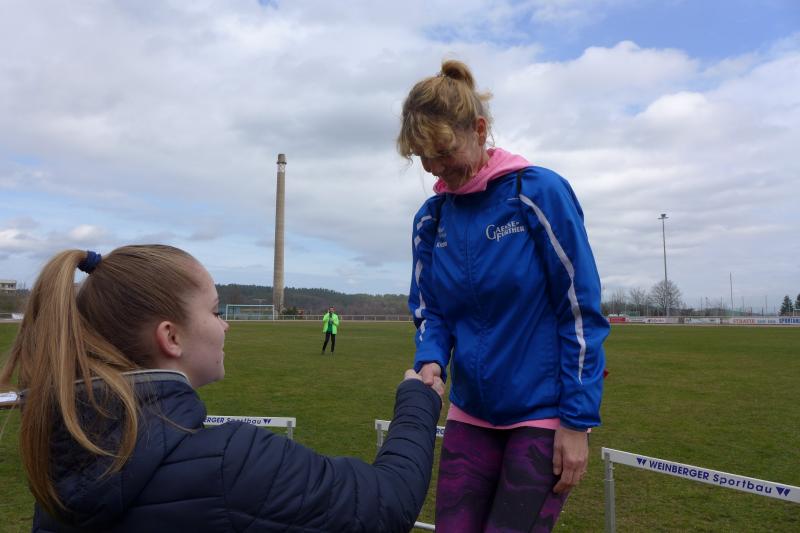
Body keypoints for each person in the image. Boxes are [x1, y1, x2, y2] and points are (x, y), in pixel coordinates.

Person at [0, 245, 444, 532]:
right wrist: (418, 401)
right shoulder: (233, 462)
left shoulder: (61, 455)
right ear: (171, 337)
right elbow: (387, 502)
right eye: (215, 312)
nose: (225, 325)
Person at [397, 60, 609, 532]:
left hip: (542, 416)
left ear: (478, 130)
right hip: (469, 413)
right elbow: (432, 312)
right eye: (423, 156)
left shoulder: (537, 193)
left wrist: (577, 422)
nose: (435, 168)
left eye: (442, 151)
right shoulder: (431, 220)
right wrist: (430, 360)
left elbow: (580, 312)